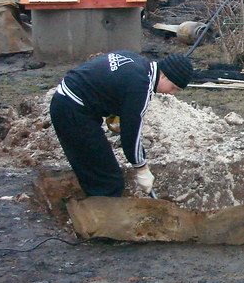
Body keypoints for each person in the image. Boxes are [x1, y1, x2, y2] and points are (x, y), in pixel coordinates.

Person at [49, 51, 194, 197]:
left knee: (99, 171)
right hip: (72, 110)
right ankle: (102, 217)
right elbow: (131, 134)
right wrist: (141, 168)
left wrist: (114, 110)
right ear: (164, 76)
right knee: (108, 181)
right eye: (173, 87)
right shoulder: (141, 87)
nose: (171, 93)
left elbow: (112, 81)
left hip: (69, 100)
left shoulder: (139, 63)